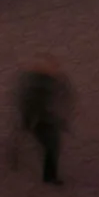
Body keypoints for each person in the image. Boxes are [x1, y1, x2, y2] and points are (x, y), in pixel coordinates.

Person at [15, 55, 73, 186]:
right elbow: (36, 106)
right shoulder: (40, 87)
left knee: (51, 146)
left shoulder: (42, 83)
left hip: (43, 120)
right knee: (52, 146)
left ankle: (49, 175)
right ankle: (49, 176)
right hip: (42, 121)